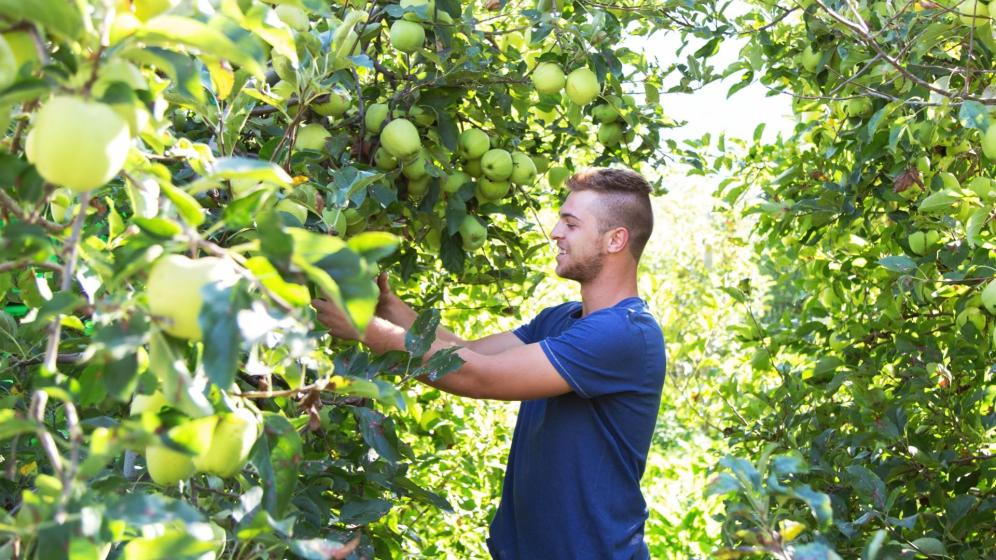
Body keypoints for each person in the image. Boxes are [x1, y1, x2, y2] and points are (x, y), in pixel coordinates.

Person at [313, 167, 667, 559]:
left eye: (571, 223)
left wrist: (371, 332)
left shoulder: (625, 334)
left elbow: (480, 377)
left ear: (615, 240)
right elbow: (472, 352)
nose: (555, 232)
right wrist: (392, 309)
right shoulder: (563, 319)